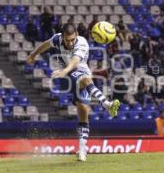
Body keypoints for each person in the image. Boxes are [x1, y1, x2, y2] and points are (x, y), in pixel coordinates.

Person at [26, 23, 120, 161]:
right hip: (67, 74)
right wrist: (33, 55)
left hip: (78, 70)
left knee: (83, 112)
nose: (70, 42)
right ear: (62, 36)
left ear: (76, 34)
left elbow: (75, 61)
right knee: (86, 81)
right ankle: (106, 104)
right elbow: (46, 44)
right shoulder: (57, 39)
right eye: (67, 40)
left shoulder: (82, 42)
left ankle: (82, 150)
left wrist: (65, 70)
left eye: (72, 39)